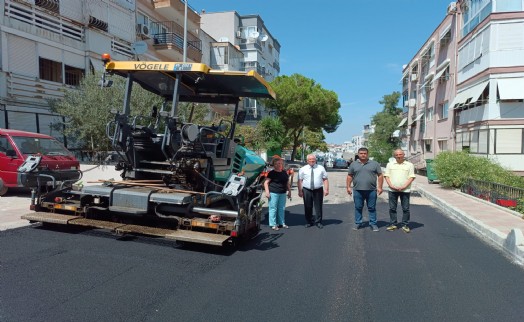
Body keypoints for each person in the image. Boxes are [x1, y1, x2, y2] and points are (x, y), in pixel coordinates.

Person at [346, 147, 383, 232]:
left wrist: (380, 187)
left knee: (371, 207)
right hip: (357, 190)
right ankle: (358, 222)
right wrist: (348, 187)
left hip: (371, 190)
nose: (363, 155)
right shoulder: (353, 164)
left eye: (365, 153)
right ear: (358, 154)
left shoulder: (374, 164)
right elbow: (349, 176)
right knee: (358, 207)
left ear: (367, 154)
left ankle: (373, 223)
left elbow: (380, 175)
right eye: (361, 153)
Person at [384, 149, 416, 233]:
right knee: (392, 208)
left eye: (400, 154)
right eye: (397, 155)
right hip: (392, 190)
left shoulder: (409, 165)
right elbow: (386, 176)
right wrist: (391, 185)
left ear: (404, 155)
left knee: (405, 208)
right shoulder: (389, 164)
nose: (399, 156)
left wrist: (404, 186)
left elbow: (411, 177)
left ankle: (405, 225)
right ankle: (393, 224)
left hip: (405, 190)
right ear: (394, 156)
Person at [297, 154, 329, 229]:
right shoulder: (303, 169)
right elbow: (300, 180)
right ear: (307, 161)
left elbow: (325, 179)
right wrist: (300, 191)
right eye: (310, 159)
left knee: (318, 206)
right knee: (308, 206)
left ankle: (318, 222)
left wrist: (326, 189)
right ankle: (309, 221)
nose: (312, 161)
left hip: (318, 190)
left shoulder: (321, 168)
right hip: (306, 189)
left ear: (315, 160)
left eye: (313, 159)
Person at [264, 156, 292, 230]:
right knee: (273, 208)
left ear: (282, 164)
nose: (278, 165)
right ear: (274, 165)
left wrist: (289, 191)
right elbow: (266, 183)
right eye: (276, 164)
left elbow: (287, 183)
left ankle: (281, 223)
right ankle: (273, 224)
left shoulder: (284, 173)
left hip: (283, 193)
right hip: (274, 193)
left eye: (280, 163)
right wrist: (267, 192)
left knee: (281, 208)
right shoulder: (271, 173)